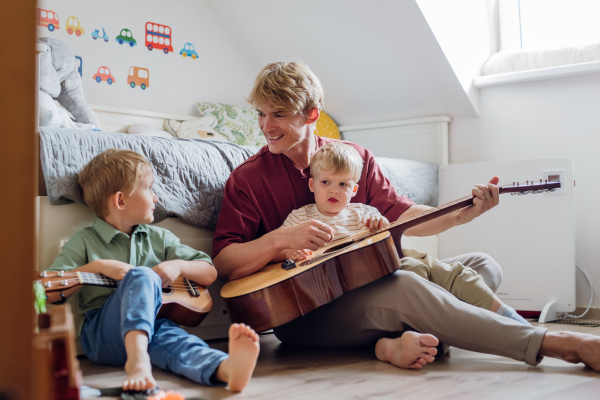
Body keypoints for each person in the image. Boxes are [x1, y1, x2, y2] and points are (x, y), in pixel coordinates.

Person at [212, 61, 600, 371]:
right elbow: (225, 263)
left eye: (278, 114)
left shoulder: (355, 158)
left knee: (483, 266)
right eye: (261, 114)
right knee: (408, 289)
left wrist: (461, 216)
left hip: (368, 280)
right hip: (307, 312)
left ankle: (392, 344)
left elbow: (403, 215)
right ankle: (556, 343)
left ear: (312, 113)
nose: (266, 126)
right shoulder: (248, 178)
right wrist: (280, 240)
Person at [46, 149, 260, 392]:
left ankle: (224, 368)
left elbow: (209, 273)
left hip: (153, 325)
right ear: (121, 201)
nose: (157, 198)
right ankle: (138, 362)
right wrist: (97, 267)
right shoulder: (84, 240)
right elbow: (47, 292)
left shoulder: (160, 238)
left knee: (178, 342)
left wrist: (177, 265)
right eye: (149, 188)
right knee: (143, 274)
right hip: (102, 336)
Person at [277, 141, 528, 325]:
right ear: (312, 184)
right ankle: (457, 322)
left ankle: (505, 315)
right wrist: (292, 252)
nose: (333, 191)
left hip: (395, 264)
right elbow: (280, 250)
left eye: (342, 184)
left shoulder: (364, 212)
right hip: (358, 287)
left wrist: (379, 229)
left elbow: (388, 239)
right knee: (416, 277)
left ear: (354, 190)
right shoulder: (300, 217)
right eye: (325, 183)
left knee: (446, 271)